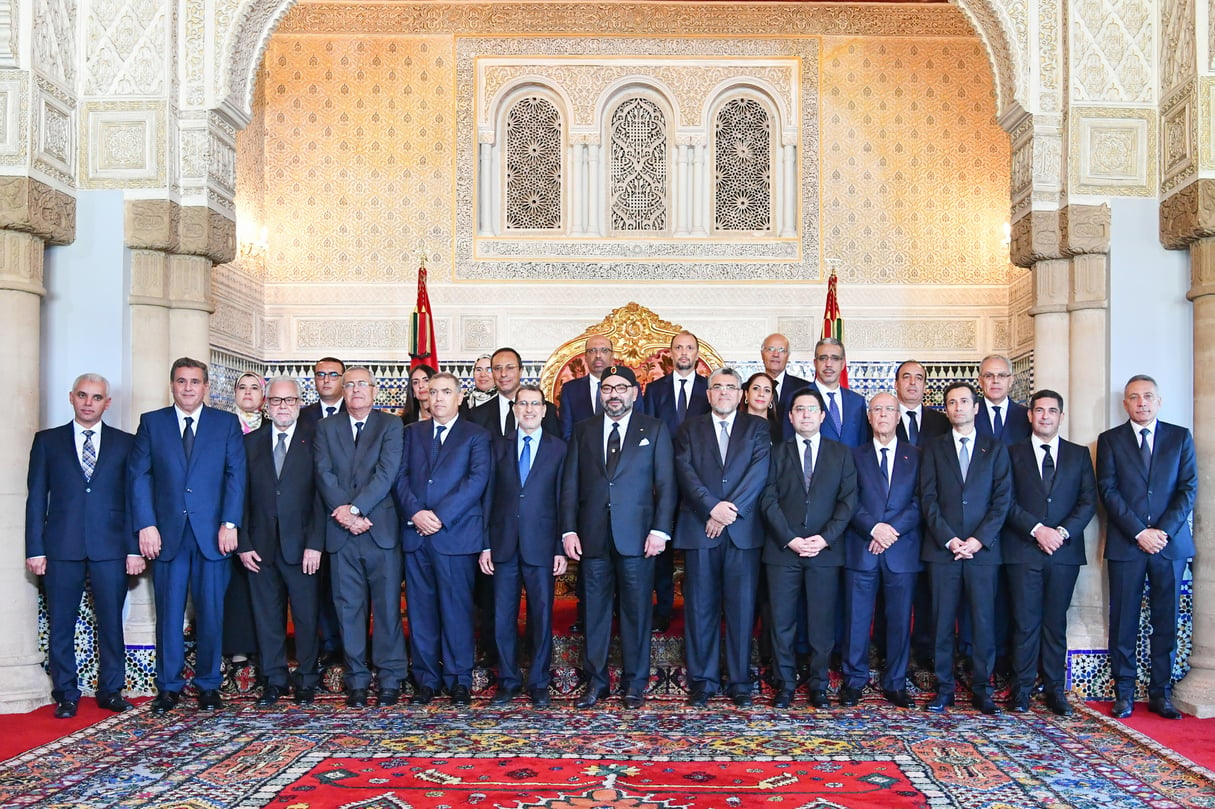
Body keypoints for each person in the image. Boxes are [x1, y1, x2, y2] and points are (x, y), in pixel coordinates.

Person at [130, 357, 247, 714]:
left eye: (195, 382)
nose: (188, 388)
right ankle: (169, 687)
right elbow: (139, 476)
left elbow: (235, 475)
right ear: (172, 385)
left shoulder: (225, 424)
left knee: (211, 613)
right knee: (168, 613)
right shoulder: (152, 423)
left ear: (206, 387)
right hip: (166, 536)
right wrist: (145, 525)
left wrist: (230, 523)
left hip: (213, 536)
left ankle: (209, 685)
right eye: (181, 381)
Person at [25, 373, 144, 718]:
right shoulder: (47, 442)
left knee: (111, 622)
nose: (88, 402)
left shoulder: (126, 443)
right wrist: (35, 548)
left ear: (107, 402)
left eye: (96, 397)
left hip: (112, 546)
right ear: (71, 397)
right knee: (60, 623)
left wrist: (134, 547)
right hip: (61, 546)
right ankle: (65, 694)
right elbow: (36, 499)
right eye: (83, 395)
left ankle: (111, 690)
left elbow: (135, 498)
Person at [562, 364, 676, 709]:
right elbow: (570, 484)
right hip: (593, 538)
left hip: (639, 539)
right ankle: (596, 683)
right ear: (601, 394)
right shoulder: (583, 430)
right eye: (607, 388)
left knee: (636, 613)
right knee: (594, 613)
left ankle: (634, 683)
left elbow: (667, 484)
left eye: (621, 387)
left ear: (634, 392)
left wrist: (660, 530)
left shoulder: (654, 429)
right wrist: (568, 529)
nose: (614, 394)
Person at [1098, 375, 1197, 720]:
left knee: (1165, 621)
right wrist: (1140, 532)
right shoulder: (1110, 441)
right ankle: (1123, 693)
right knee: (1123, 619)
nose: (1141, 403)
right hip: (1128, 544)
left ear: (1159, 400)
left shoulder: (1180, 437)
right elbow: (1108, 491)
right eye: (1134, 397)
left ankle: (1161, 693)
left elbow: (1188, 489)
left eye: (1148, 396)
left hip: (1169, 547)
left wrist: (1162, 532)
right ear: (1124, 403)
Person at [674, 367, 770, 707]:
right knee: (701, 608)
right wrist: (712, 508)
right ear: (708, 393)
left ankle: (740, 681)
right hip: (701, 529)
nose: (724, 393)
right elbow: (684, 472)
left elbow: (759, 473)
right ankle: (703, 680)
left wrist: (728, 511)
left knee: (742, 609)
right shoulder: (689, 429)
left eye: (731, 387)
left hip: (743, 532)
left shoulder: (758, 428)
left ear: (741, 394)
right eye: (718, 387)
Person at [395, 372, 493, 706]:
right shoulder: (411, 433)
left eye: (446, 392)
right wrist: (416, 513)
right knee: (420, 612)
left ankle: (459, 680)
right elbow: (400, 478)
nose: (437, 398)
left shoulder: (476, 435)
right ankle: (426, 679)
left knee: (456, 610)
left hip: (455, 535)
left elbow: (476, 480)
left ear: (460, 396)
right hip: (416, 534)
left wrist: (439, 516)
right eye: (433, 391)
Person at [314, 366, 408, 708]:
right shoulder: (326, 427)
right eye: (349, 384)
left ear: (374, 389)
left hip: (379, 531)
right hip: (342, 535)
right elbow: (323, 473)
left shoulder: (391, 425)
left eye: (361, 384)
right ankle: (356, 680)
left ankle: (390, 678)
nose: (355, 390)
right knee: (348, 609)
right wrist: (344, 512)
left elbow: (387, 473)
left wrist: (355, 510)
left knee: (386, 610)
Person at [760, 388, 857, 709]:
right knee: (782, 622)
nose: (805, 414)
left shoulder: (841, 453)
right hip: (783, 550)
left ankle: (819, 686)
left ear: (822, 416)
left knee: (821, 624)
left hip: (824, 552)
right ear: (790, 416)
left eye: (811, 409)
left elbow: (847, 502)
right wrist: (789, 538)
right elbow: (768, 499)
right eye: (799, 409)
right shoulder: (776, 452)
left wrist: (825, 538)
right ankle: (785, 684)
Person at [919, 381, 1011, 715]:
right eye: (952, 403)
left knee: (982, 623)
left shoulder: (995, 448)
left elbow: (1002, 500)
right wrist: (949, 538)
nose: (958, 407)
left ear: (976, 407)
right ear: (947, 410)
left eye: (964, 402)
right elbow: (927, 499)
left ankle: (982, 689)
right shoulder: (933, 447)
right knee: (942, 623)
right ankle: (944, 689)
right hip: (943, 551)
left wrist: (977, 540)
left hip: (982, 552)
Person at [1003, 389, 1096, 716]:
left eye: (1051, 411)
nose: (1045, 416)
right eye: (1039, 410)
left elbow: (1088, 502)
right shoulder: (1011, 453)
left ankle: (1056, 690)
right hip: (1023, 550)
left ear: (1061, 416)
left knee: (1055, 623)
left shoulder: (1078, 455)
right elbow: (1006, 502)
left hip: (1064, 553)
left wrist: (1061, 532)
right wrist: (1036, 530)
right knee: (1025, 623)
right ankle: (1022, 689)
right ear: (1029, 415)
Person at [237, 377, 325, 706]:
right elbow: (238, 497)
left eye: (289, 401)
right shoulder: (251, 443)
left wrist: (315, 543)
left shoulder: (314, 440)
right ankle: (274, 679)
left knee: (305, 617)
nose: (283, 407)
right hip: (259, 548)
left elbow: (322, 497)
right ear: (266, 405)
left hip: (302, 548)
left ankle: (305, 679)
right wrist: (243, 542)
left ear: (300, 403)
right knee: (267, 617)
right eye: (276, 401)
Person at [482, 385, 567, 708]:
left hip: (542, 545)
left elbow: (563, 500)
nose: (529, 409)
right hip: (502, 544)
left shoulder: (559, 449)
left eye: (535, 404)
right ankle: (507, 681)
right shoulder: (497, 447)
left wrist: (559, 546)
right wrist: (485, 544)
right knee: (503, 615)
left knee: (541, 615)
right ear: (514, 409)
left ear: (545, 410)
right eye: (523, 404)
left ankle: (539, 681)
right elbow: (487, 497)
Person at [842, 392, 922, 709]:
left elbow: (921, 501)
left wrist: (892, 530)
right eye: (877, 410)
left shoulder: (916, 455)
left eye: (890, 409)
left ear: (899, 416)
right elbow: (848, 500)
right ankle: (854, 681)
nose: (884, 415)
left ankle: (895, 682)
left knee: (900, 621)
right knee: (856, 620)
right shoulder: (853, 455)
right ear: (869, 417)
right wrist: (874, 528)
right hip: (862, 548)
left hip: (901, 551)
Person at [644, 331, 710, 634]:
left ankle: (706, 606)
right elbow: (648, 435)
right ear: (670, 353)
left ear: (697, 354)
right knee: (662, 549)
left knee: (702, 545)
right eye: (678, 347)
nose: (684, 352)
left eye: (690, 347)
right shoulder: (654, 390)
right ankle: (664, 608)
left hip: (699, 482)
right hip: (663, 480)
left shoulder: (710, 390)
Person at [468, 347, 559, 438]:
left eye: (510, 368)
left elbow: (554, 448)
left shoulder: (546, 411)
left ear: (520, 371)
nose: (503, 374)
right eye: (497, 368)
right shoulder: (478, 415)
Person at [810, 338, 869, 447]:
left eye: (835, 358)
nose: (828, 364)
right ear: (815, 363)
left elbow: (863, 445)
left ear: (842, 364)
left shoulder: (857, 402)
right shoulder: (800, 398)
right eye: (823, 358)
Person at [559, 334, 614, 440]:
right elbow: (567, 433)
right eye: (592, 350)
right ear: (585, 357)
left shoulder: (628, 388)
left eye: (604, 350)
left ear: (612, 356)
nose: (598, 355)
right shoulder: (570, 390)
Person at [759, 333, 810, 439]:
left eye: (782, 350)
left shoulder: (805, 389)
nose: (776, 354)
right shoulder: (748, 389)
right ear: (762, 353)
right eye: (770, 349)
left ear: (788, 356)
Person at [893, 360, 950, 447]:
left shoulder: (942, 421)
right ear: (896, 384)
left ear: (924, 386)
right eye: (906, 377)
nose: (912, 382)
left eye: (918, 378)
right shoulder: (884, 418)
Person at [976, 355, 1030, 445]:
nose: (995, 381)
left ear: (1011, 380)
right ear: (980, 381)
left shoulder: (1026, 416)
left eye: (1002, 375)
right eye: (989, 376)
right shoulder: (969, 414)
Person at [299, 357, 347, 429]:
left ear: (344, 380)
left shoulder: (354, 412)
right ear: (315, 380)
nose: (326, 380)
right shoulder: (301, 415)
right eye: (320, 375)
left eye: (333, 375)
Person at [743, 372, 782, 444]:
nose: (761, 394)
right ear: (746, 394)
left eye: (767, 390)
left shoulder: (780, 431)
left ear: (771, 398)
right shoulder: (734, 425)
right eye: (756, 388)